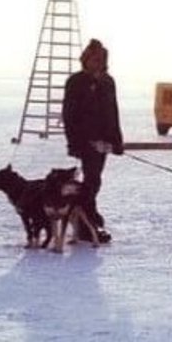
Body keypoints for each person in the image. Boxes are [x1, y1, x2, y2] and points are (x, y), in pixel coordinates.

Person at [62, 39, 123, 242]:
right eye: (94, 59)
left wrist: (116, 141)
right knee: (90, 182)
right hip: (86, 141)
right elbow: (70, 115)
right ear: (86, 60)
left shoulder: (108, 81)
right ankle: (88, 224)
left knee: (93, 182)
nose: (98, 63)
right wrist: (76, 143)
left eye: (101, 60)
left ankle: (86, 220)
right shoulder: (76, 82)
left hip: (103, 141)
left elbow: (113, 112)